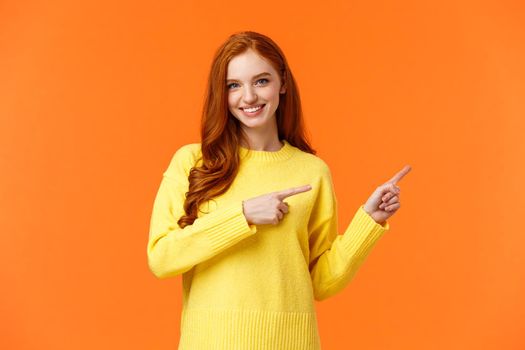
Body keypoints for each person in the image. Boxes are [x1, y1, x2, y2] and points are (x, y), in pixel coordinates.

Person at [147, 31, 411, 350]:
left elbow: (321, 282)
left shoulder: (312, 171)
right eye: (234, 85)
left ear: (282, 83)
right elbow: (161, 258)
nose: (248, 97)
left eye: (261, 81)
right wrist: (243, 215)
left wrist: (368, 220)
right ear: (222, 91)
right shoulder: (193, 161)